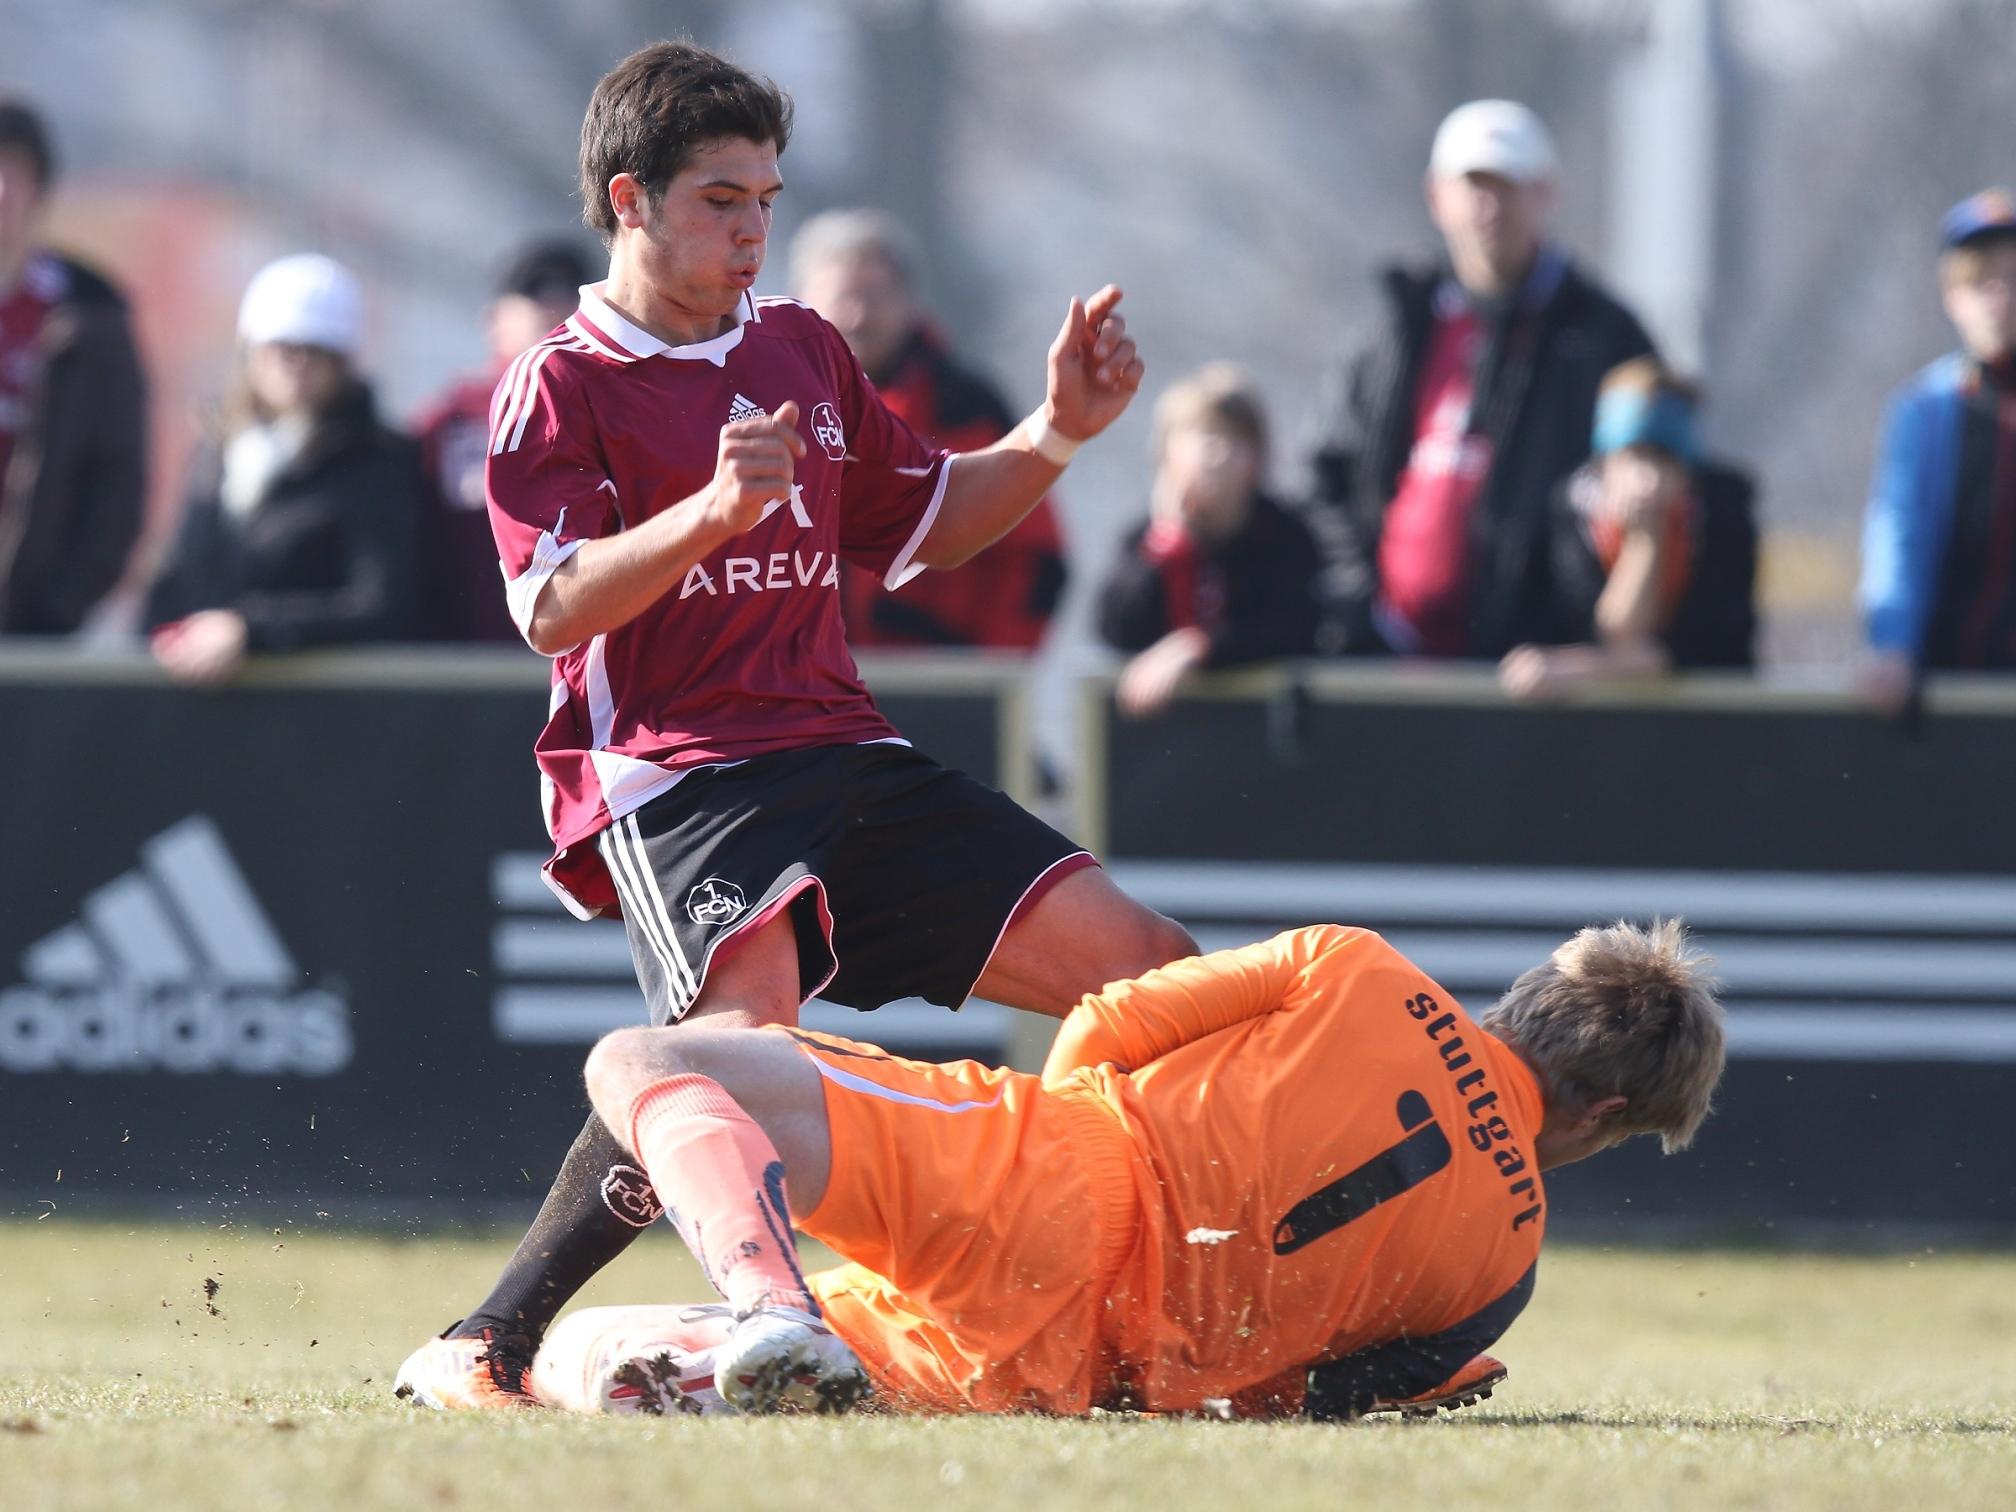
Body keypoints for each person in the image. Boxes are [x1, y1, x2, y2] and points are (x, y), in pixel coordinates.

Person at [392, 41, 1194, 1410]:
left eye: (767, 196)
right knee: (740, 1055)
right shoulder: (561, 383)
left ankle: (1198, 1274)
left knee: (1156, 977)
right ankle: (774, 1317)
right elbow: (551, 610)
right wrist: (710, 513)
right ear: (628, 200)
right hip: (680, 773)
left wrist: (1057, 433)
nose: (755, 228)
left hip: (845, 750)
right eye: (722, 199)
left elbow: (933, 520)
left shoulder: (801, 347)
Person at [526, 919, 1724, 1418]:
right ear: (1606, 1113)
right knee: (660, 1361)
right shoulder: (1506, 1271)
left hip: (1047, 1173)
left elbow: (1105, 1021)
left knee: (654, 1058)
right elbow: (1303, 1402)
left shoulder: (1356, 966)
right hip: (1075, 1369)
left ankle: (766, 1305)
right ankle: (745, 1344)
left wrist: (1053, 1181)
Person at [1307, 99, 1657, 662]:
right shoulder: (1395, 326)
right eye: (1475, 185)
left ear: (1545, 195)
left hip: (1536, 681)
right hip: (1389, 664)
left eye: (1510, 186)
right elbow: (1330, 474)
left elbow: (1651, 483)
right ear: (1436, 196)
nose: (1491, 207)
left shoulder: (1600, 336)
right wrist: (1360, 606)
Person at [791, 208, 1067, 651]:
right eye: (844, 297)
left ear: (908, 304)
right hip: (795, 684)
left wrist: (990, 675)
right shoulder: (762, 402)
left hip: (936, 682)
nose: (859, 316)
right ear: (802, 300)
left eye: (875, 297)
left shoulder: (966, 405)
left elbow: (1035, 556)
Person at [142, 253, 424, 684]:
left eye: (315, 349)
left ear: (342, 361)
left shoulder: (378, 462)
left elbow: (379, 604)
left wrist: (251, 632)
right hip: (200, 703)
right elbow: (173, 578)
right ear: (251, 353)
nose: (296, 362)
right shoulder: (216, 454)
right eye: (281, 347)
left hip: (316, 713)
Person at [1498, 358, 1757, 699]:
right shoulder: (1569, 519)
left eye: (1665, 459)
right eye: (1636, 456)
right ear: (1606, 460)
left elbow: (1701, 648)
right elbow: (1607, 634)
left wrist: (1648, 540)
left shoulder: (1723, 518)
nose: (1649, 480)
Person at [1859, 189, 2016, 714]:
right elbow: (1898, 534)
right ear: (1953, 297)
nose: (2000, 297)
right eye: (1981, 281)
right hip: (1945, 693)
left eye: (2012, 279)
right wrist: (1893, 647)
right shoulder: (1927, 410)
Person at [0, 97, 147, 636]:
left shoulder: (90, 311)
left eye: (12, 175)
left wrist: (59, 606)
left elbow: (118, 479)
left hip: (33, 620)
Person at [1097, 364, 1320, 716]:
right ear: (1168, 453)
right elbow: (1116, 630)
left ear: (1257, 457)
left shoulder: (1287, 535)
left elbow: (1295, 629)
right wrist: (1169, 543)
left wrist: (1200, 648)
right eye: (1206, 435)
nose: (1219, 454)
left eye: (1236, 438)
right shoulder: (1143, 540)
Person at [412, 239, 595, 642]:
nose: (554, 305)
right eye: (534, 292)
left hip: (593, 650)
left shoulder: (625, 408)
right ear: (492, 319)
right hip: (473, 656)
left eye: (572, 292)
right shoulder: (452, 419)